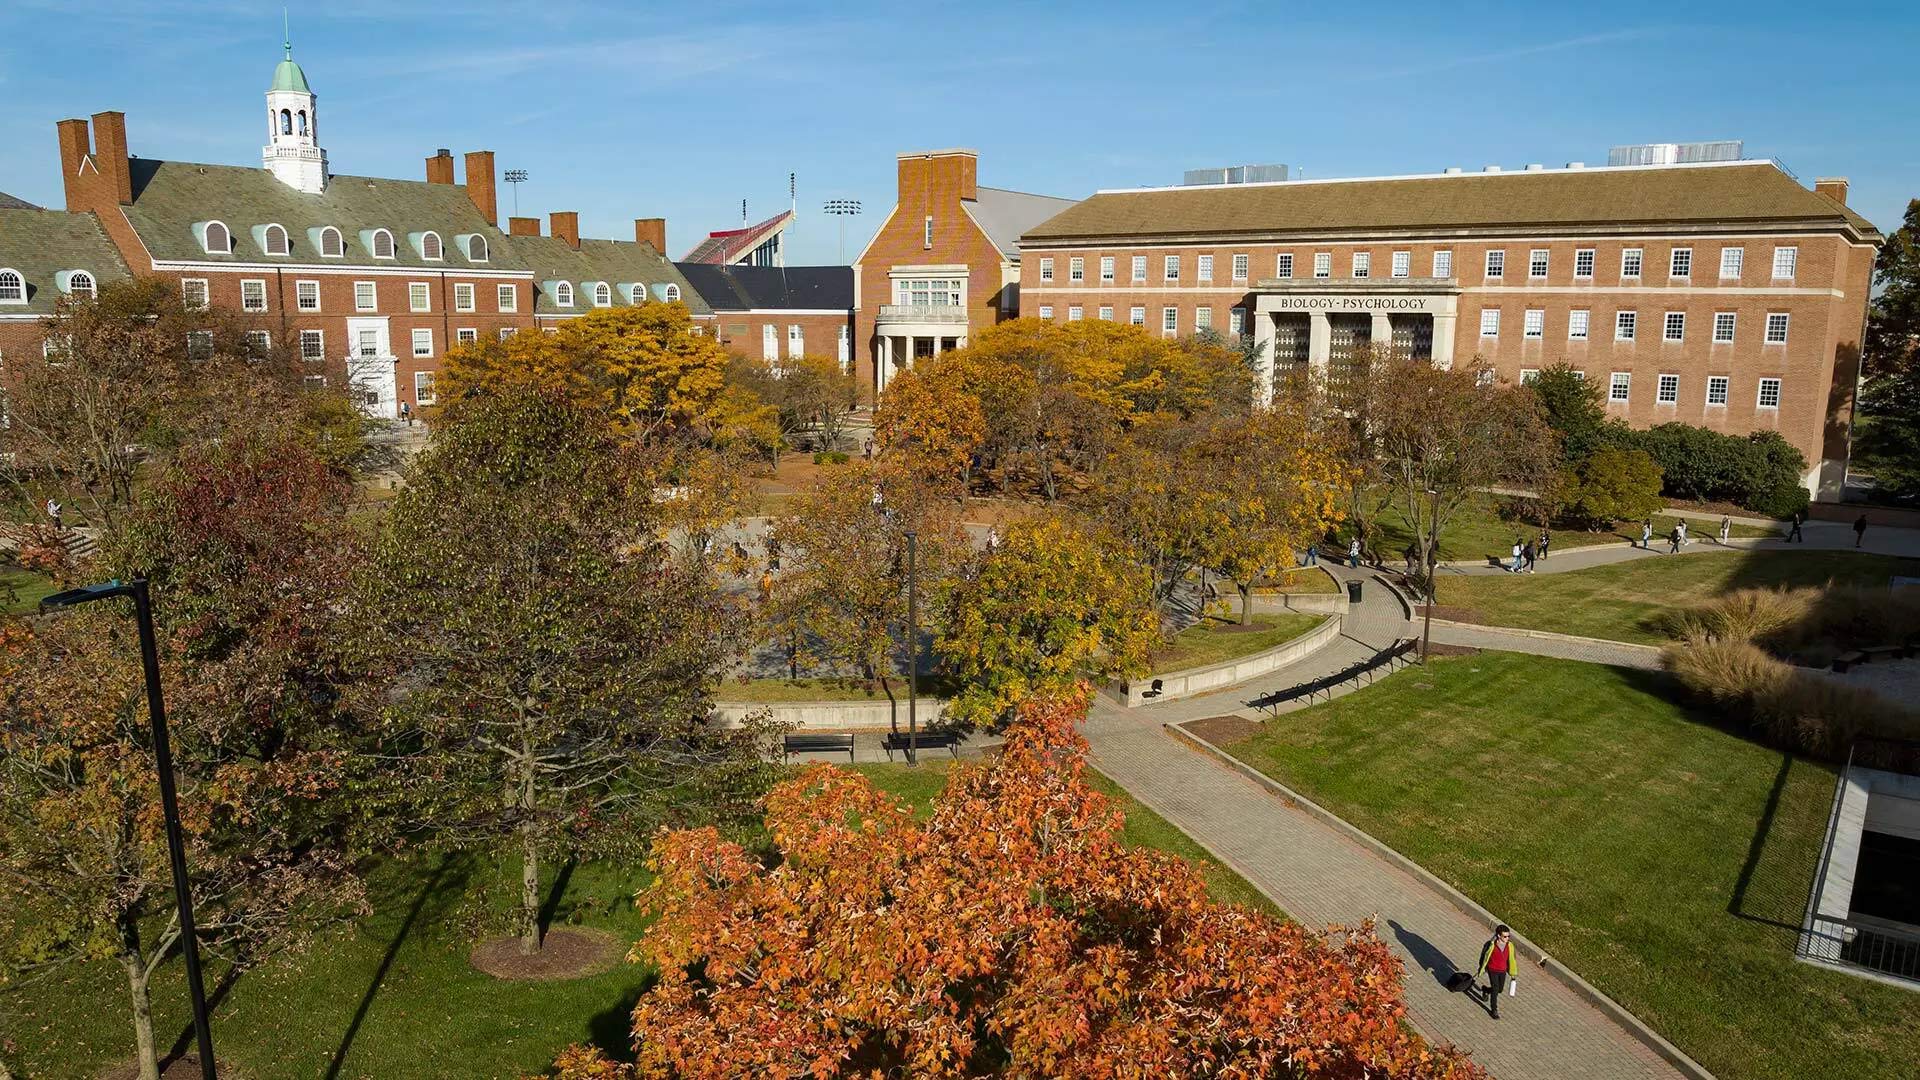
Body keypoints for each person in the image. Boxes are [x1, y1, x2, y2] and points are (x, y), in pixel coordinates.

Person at [1476, 924, 1519, 1020]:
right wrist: (1482, 967)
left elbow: (1512, 959)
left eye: (1508, 936)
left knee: (1500, 989)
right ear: (1499, 936)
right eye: (1505, 936)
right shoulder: (1491, 945)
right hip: (1493, 970)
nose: (1507, 938)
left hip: (1502, 970)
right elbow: (1484, 957)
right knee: (1495, 989)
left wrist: (1512, 973)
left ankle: (1486, 990)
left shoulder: (1510, 946)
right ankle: (1494, 1010)